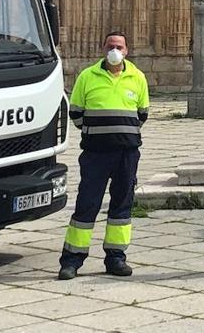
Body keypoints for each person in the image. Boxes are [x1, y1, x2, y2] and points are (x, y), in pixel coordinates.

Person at [59, 32, 149, 279]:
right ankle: (72, 260)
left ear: (127, 50)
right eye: (111, 45)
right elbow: (75, 112)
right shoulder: (87, 76)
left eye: (119, 46)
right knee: (87, 204)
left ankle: (116, 258)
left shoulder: (137, 77)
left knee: (122, 205)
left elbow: (142, 113)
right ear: (103, 48)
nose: (115, 50)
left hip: (127, 153)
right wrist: (96, 132)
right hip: (96, 153)